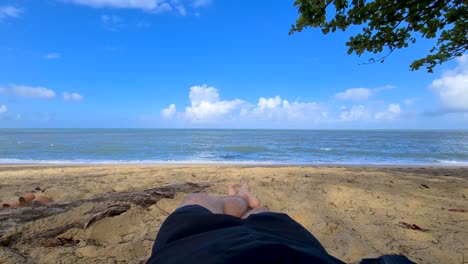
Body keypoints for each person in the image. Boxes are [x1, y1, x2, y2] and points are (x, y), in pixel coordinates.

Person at [147, 181, 415, 264]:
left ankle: (239, 199)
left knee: (197, 200)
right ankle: (245, 200)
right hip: (286, 248)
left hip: (189, 248)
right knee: (261, 215)